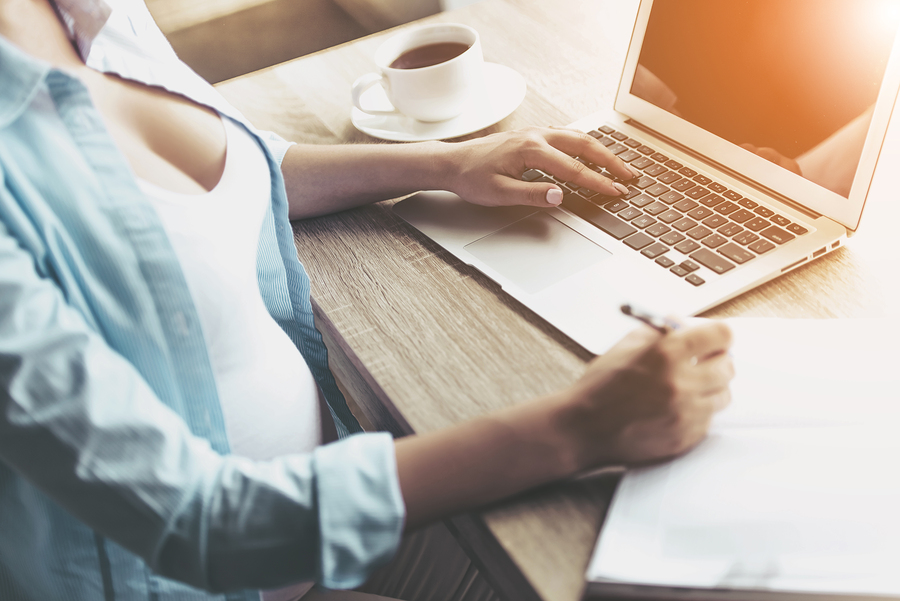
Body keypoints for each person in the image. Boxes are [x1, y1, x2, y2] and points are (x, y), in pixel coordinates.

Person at [0, 0, 735, 600]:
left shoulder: (84, 11)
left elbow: (220, 164)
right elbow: (201, 524)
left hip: (336, 490)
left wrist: (448, 164)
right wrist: (579, 425)